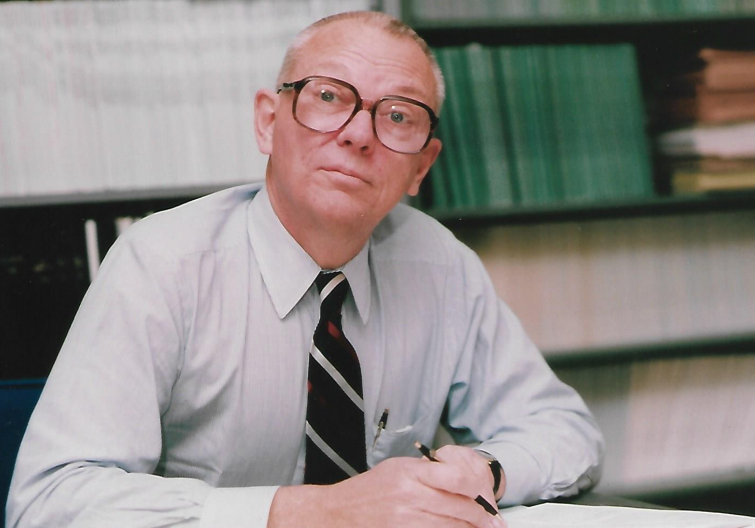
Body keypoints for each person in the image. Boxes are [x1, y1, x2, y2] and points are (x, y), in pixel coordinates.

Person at [6, 11, 603, 528]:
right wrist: (314, 514)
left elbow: (566, 433)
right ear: (268, 121)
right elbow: (49, 503)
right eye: (328, 97)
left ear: (422, 166)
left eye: (398, 116)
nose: (360, 136)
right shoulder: (163, 263)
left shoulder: (440, 266)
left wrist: (486, 471)